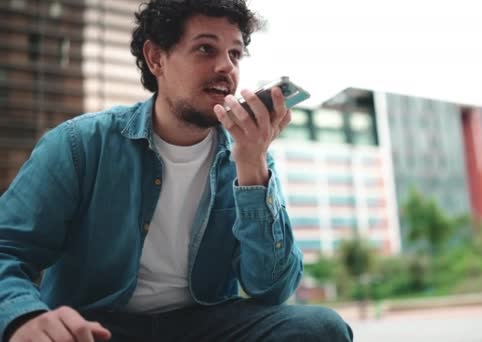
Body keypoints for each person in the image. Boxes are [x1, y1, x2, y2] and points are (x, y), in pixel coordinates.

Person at [0, 0, 353, 341]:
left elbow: (272, 288)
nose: (226, 67)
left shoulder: (249, 155)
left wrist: (251, 168)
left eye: (234, 54)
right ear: (156, 58)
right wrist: (25, 316)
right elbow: (7, 249)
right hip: (99, 325)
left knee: (320, 328)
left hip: (204, 324)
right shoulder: (80, 145)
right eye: (205, 49)